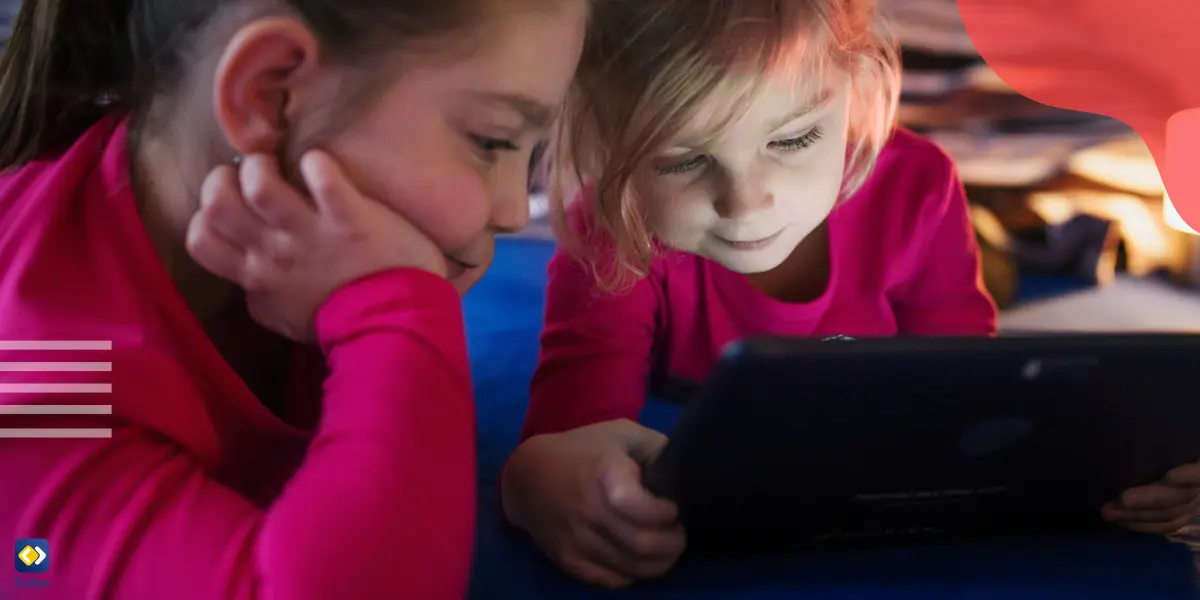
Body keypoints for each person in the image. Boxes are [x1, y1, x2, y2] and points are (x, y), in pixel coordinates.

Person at [495, 0, 1200, 588]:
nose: (747, 205)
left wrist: (1120, 479)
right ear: (607, 148)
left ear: (858, 90)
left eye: (795, 139)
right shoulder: (612, 221)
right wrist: (542, 482)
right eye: (684, 160)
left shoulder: (917, 184)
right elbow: (574, 428)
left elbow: (971, 394)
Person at [0, 0, 588, 598]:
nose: (516, 209)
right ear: (271, 95)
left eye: (531, 153)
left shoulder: (282, 231)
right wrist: (391, 316)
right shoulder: (43, 392)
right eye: (492, 141)